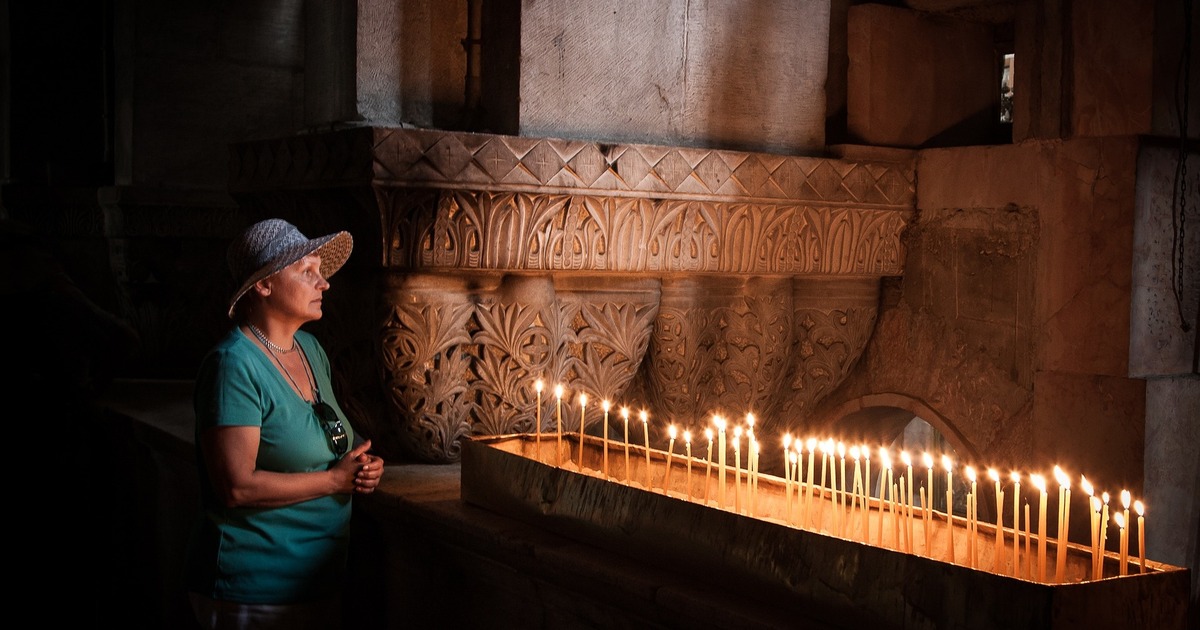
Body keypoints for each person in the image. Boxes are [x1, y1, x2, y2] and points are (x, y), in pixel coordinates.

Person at [185, 218, 384, 629]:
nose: (323, 283)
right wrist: (333, 483)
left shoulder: (310, 349)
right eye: (307, 271)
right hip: (255, 589)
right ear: (264, 285)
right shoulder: (234, 365)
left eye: (320, 271)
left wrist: (362, 462)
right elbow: (235, 486)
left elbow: (317, 434)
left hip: (318, 581)